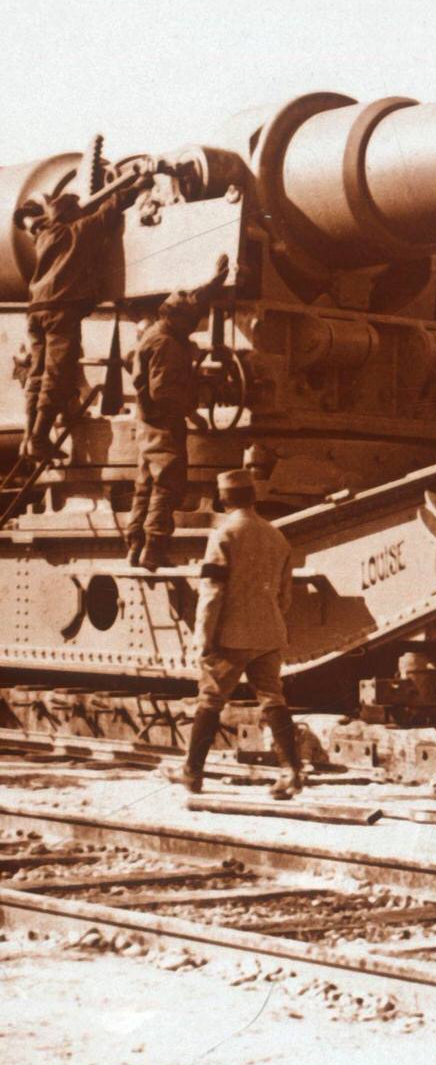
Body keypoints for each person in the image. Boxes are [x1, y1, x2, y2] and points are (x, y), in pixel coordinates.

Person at [174, 468, 302, 799]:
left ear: (223, 499)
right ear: (253, 497)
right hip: (269, 634)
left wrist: (203, 636)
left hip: (230, 636)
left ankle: (192, 773)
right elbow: (286, 596)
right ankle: (291, 772)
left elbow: (212, 591)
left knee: (211, 700)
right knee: (273, 699)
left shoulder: (224, 535)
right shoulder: (276, 536)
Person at [13, 172, 148, 460]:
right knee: (56, 375)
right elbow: (110, 209)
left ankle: (29, 436)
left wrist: (29, 214)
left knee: (36, 374)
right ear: (72, 214)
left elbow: (27, 219)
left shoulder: (44, 234)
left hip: (36, 311)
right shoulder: (78, 232)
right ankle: (38, 439)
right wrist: (138, 185)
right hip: (61, 311)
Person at [126, 253, 230, 569]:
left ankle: (134, 546)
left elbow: (192, 299)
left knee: (144, 486)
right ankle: (154, 549)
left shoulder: (158, 332)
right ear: (177, 319)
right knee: (167, 483)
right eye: (191, 323)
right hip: (163, 422)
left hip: (147, 424)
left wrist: (215, 282)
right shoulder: (167, 345)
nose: (194, 328)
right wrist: (193, 412)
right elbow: (163, 393)